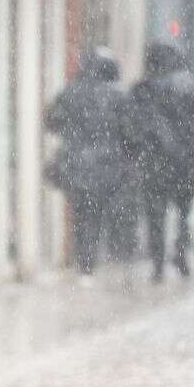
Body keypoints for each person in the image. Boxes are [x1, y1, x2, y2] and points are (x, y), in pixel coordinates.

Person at [46, 47, 135, 280]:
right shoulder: (119, 95)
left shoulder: (71, 92)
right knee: (98, 212)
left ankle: (84, 261)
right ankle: (92, 260)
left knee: (81, 211)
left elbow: (53, 121)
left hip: (75, 163)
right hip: (107, 165)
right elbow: (129, 132)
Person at [131, 42, 194, 282]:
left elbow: (134, 126)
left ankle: (157, 264)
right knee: (184, 212)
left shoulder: (142, 89)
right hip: (185, 162)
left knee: (156, 214)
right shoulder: (190, 87)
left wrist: (135, 153)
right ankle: (181, 253)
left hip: (154, 163)